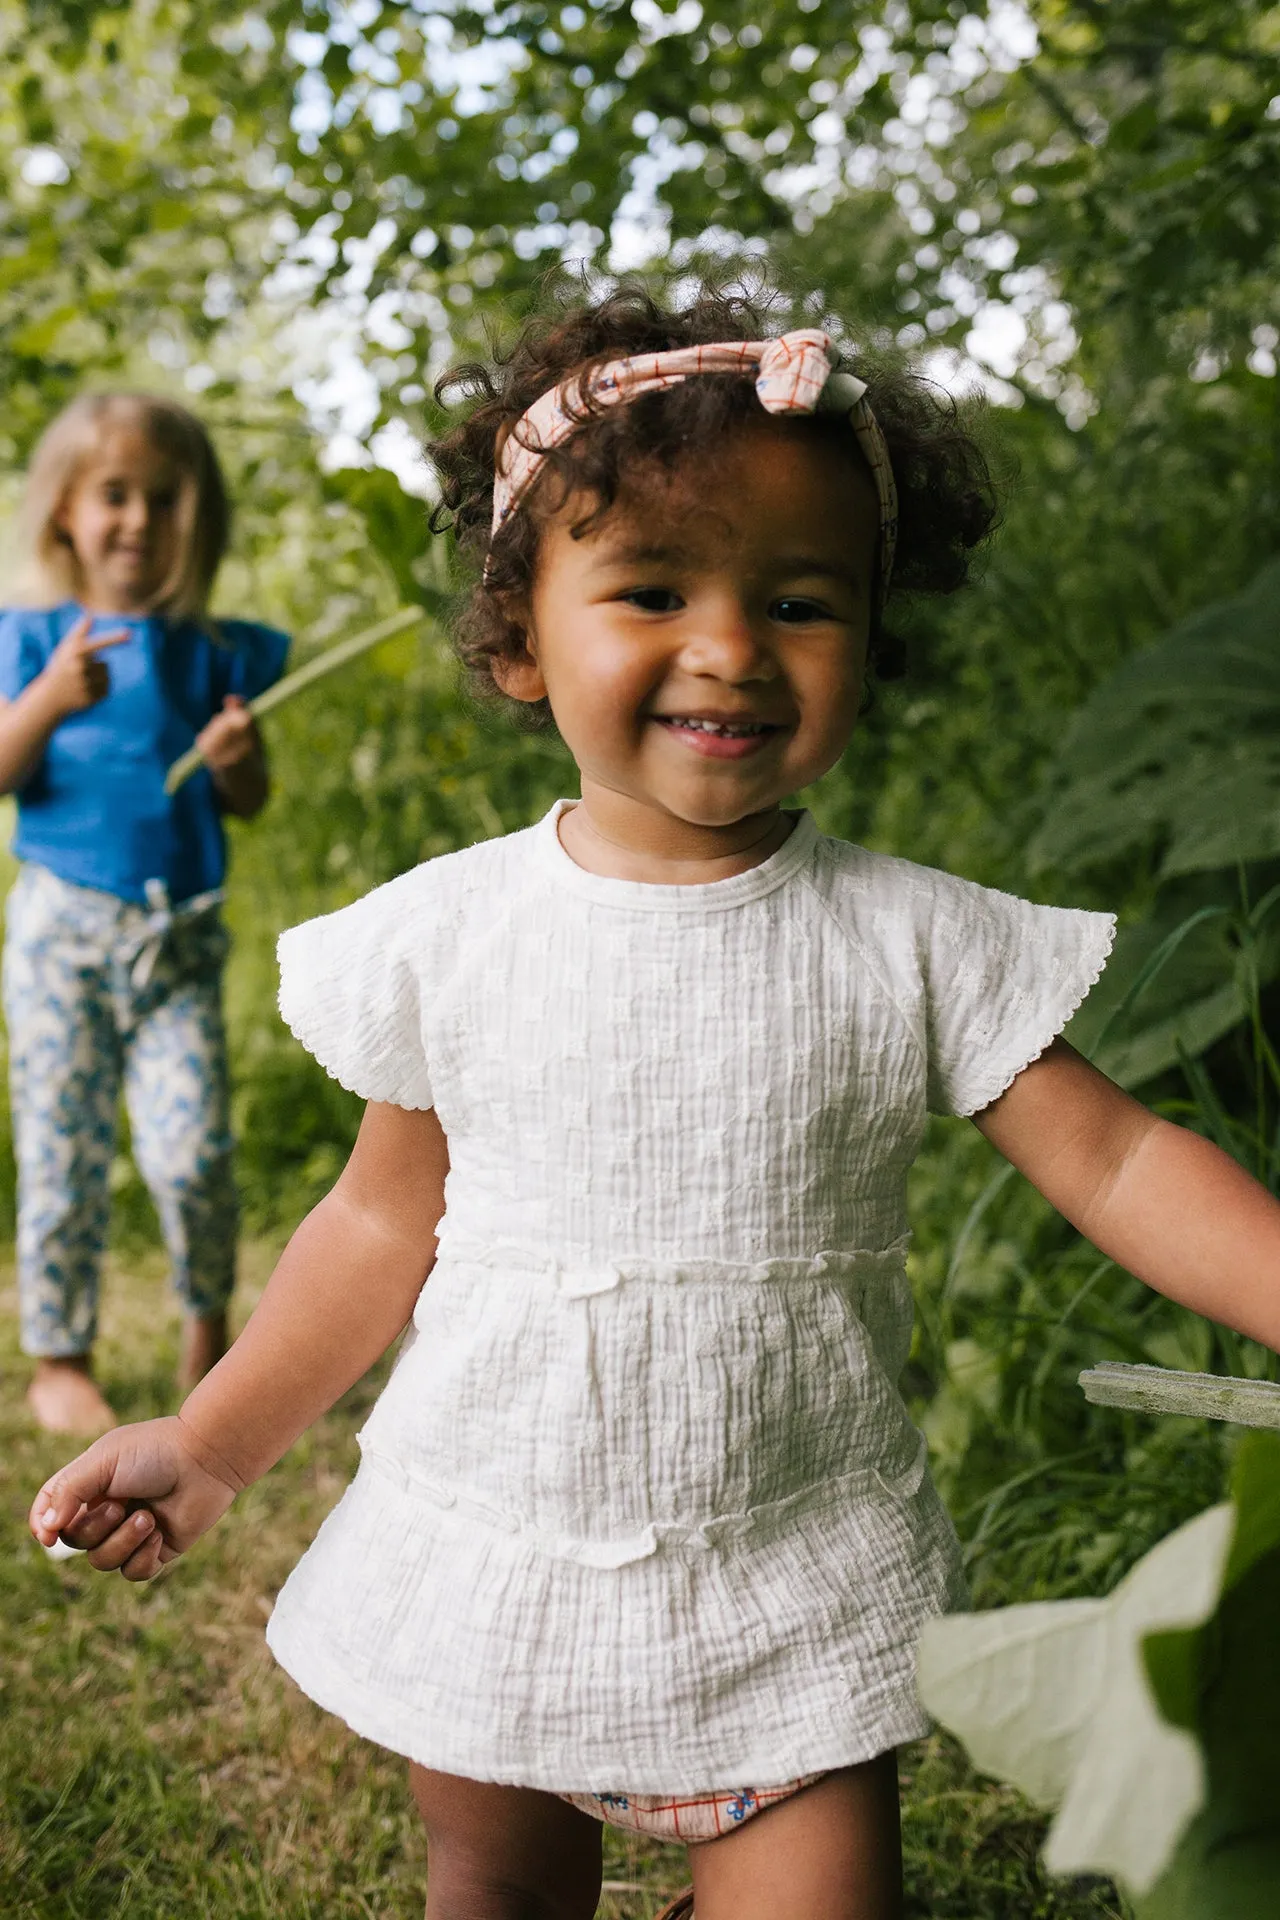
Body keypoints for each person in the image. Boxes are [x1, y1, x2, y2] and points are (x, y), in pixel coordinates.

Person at [29, 290, 1280, 1920]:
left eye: (804, 601)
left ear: (872, 639)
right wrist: (209, 1446)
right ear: (515, 641)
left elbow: (1114, 1162)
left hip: (792, 1573)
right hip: (502, 1548)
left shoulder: (908, 936)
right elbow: (379, 1220)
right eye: (650, 588)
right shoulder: (454, 937)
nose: (732, 644)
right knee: (492, 1886)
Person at [1, 393, 288, 1437]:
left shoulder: (217, 651)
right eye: (112, 496)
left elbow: (247, 802)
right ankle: (60, 1356)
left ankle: (206, 1334)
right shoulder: (32, 636)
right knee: (62, 1146)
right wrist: (46, 701)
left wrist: (239, 765)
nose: (136, 520)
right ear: (65, 513)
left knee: (194, 1149)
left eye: (164, 499)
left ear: (197, 520)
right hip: (58, 935)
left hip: (177, 937)